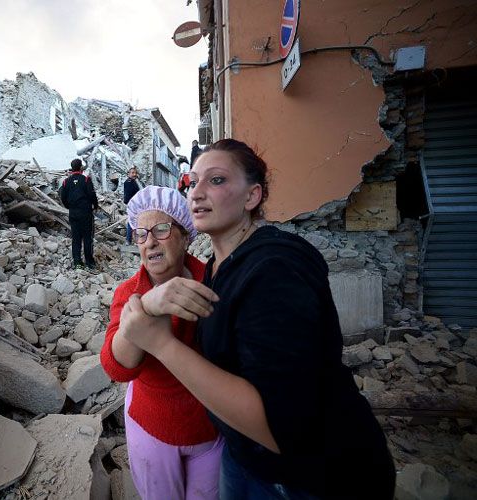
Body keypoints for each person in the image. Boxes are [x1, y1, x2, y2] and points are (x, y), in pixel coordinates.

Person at [119, 139, 396, 499]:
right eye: (193, 180)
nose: (197, 191)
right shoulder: (217, 269)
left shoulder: (274, 269)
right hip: (246, 459)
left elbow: (280, 426)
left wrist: (160, 343)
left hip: (313, 478)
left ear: (252, 197)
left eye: (216, 180)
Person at [100, 186, 223, 500]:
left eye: (161, 229)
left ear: (185, 236)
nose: (150, 242)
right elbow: (116, 367)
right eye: (141, 234)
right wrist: (148, 307)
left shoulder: (213, 284)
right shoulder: (130, 292)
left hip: (209, 428)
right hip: (152, 424)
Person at [59, 158, 99, 269]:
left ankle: (77, 262)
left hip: (73, 213)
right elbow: (92, 195)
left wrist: (70, 207)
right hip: (86, 213)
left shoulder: (66, 181)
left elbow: (63, 198)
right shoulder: (86, 180)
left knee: (76, 238)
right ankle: (89, 262)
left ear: (72, 168)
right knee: (87, 237)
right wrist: (95, 206)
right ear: (81, 167)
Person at [123, 166, 141, 244]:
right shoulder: (129, 182)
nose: (134, 174)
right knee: (132, 222)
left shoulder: (133, 181)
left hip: (134, 204)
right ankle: (129, 240)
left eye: (135, 173)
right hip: (132, 205)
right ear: (128, 174)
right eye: (132, 173)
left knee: (133, 221)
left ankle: (130, 240)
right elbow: (130, 196)